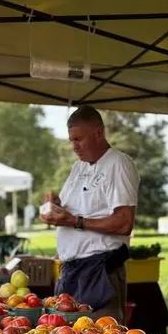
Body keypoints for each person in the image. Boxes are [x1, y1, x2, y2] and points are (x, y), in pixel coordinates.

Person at [42, 106, 140, 322]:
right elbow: (76, 211)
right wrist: (56, 207)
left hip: (99, 271)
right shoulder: (78, 167)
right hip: (71, 270)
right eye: (71, 140)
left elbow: (124, 222)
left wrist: (74, 221)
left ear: (99, 133)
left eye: (79, 139)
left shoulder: (118, 164)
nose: (74, 147)